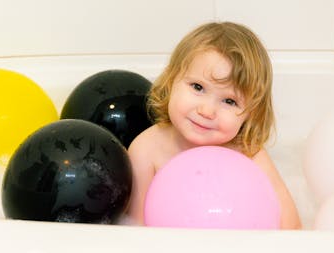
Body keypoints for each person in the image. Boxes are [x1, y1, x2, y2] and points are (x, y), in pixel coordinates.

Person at [127, 21, 301, 229]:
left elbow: (292, 228)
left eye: (229, 101)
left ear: (250, 115)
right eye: (198, 87)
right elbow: (134, 230)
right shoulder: (147, 149)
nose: (207, 111)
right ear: (171, 80)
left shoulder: (249, 154)